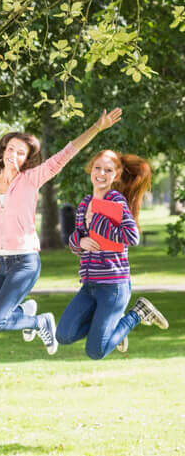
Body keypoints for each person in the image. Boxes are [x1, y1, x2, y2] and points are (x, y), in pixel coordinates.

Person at [0, 110, 123, 353]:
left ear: (27, 159)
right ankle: (25, 311)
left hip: (24, 262)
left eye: (21, 153)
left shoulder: (31, 178)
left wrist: (96, 127)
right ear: (3, 150)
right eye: (11, 149)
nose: (14, 155)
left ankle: (40, 321)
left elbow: (66, 154)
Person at [56, 150, 168, 358]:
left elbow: (131, 236)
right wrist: (79, 241)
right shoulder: (84, 204)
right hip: (89, 285)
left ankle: (138, 313)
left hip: (113, 287)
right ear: (90, 170)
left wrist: (97, 221)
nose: (101, 173)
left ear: (116, 175)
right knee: (63, 335)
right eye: (97, 168)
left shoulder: (116, 201)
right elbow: (75, 243)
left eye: (108, 170)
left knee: (96, 351)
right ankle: (113, 329)